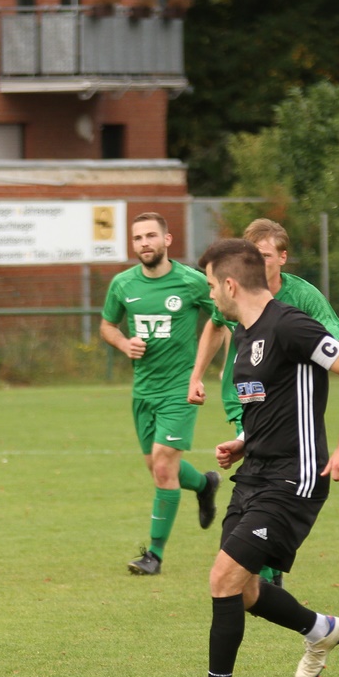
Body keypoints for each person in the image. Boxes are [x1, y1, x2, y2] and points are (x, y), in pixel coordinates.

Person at [167, 238, 339, 677]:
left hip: (294, 476)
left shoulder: (290, 324)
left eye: (211, 286)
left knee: (222, 578)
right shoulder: (244, 334)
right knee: (244, 590)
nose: (209, 295)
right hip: (256, 471)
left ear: (230, 284)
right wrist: (244, 442)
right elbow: (274, 401)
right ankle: (320, 629)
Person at [188, 218, 339, 587]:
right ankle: (262, 580)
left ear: (282, 257)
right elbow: (215, 324)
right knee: (257, 488)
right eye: (253, 255)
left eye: (265, 255)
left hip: (283, 406)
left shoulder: (302, 299)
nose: (259, 263)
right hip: (241, 400)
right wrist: (196, 376)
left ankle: (264, 583)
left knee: (266, 490)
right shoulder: (233, 293)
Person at [99, 212, 220, 576]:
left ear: (167, 240)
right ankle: (204, 484)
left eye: (151, 236)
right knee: (157, 467)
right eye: (138, 238)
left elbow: (223, 318)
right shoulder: (123, 284)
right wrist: (124, 343)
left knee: (164, 467)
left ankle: (153, 554)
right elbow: (107, 326)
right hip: (143, 391)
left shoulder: (192, 282)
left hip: (179, 389)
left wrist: (207, 372)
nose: (144, 243)